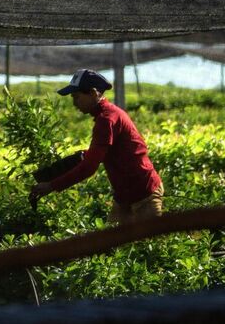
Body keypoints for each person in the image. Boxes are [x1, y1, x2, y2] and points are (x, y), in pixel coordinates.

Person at [28, 69, 164, 223]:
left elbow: (89, 167)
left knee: (147, 237)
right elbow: (103, 153)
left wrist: (52, 186)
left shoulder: (107, 120)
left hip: (144, 194)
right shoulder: (107, 115)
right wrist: (75, 161)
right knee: (114, 237)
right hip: (124, 196)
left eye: (77, 97)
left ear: (93, 93)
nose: (74, 103)